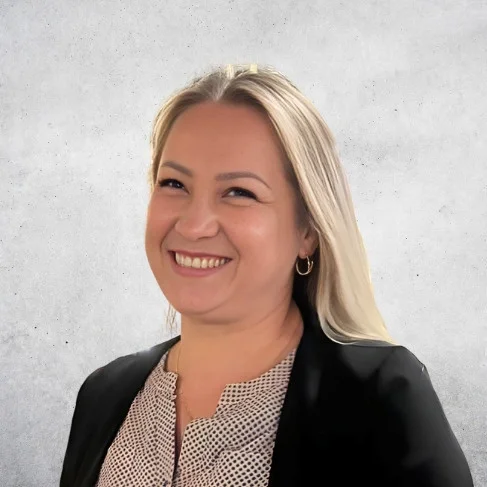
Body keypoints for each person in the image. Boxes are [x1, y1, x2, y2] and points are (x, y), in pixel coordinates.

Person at [60, 63, 473, 486]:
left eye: (239, 192)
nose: (194, 225)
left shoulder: (378, 397)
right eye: (174, 184)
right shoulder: (103, 395)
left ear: (308, 231)